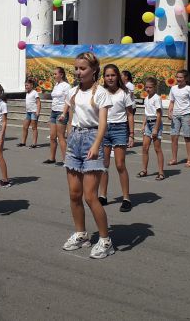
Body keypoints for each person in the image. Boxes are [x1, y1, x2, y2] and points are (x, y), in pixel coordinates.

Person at [61, 52, 115, 259]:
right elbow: (72, 116)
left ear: (94, 70)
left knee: (90, 196)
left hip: (92, 140)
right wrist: (67, 139)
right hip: (75, 139)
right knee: (74, 194)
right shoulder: (72, 91)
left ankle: (105, 240)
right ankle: (81, 234)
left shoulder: (100, 93)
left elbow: (103, 123)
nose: (78, 72)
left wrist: (96, 144)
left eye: (82, 68)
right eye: (76, 68)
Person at [98, 64, 135, 212]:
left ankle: (126, 198)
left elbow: (130, 114)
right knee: (104, 164)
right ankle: (103, 195)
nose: (110, 78)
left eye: (113, 75)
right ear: (104, 78)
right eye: (107, 75)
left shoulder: (124, 93)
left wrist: (131, 134)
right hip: (104, 129)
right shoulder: (101, 92)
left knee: (120, 164)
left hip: (120, 129)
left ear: (117, 76)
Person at [168, 69, 190, 167]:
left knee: (187, 137)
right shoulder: (173, 88)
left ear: (185, 79)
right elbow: (172, 101)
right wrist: (169, 112)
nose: (178, 79)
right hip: (175, 116)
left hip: (186, 115)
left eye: (181, 77)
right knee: (174, 138)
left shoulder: (189, 89)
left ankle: (189, 160)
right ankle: (174, 159)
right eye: (177, 77)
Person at [44, 67, 71, 166]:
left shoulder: (67, 86)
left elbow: (68, 101)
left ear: (61, 75)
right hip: (53, 112)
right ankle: (52, 158)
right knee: (52, 136)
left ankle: (66, 160)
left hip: (61, 112)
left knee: (61, 137)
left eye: (56, 74)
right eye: (54, 74)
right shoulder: (56, 85)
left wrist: (64, 114)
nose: (54, 76)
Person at [140, 77, 165, 180]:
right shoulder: (146, 98)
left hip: (155, 123)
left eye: (150, 87)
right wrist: (143, 124)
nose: (148, 89)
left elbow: (159, 114)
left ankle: (161, 172)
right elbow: (146, 113)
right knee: (144, 148)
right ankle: (144, 170)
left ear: (154, 87)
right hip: (148, 124)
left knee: (157, 149)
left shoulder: (156, 98)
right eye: (146, 87)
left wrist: (155, 128)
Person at [19, 78, 40, 148]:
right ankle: (23, 142)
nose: (26, 87)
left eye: (27, 85)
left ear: (31, 85)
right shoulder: (27, 93)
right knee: (25, 127)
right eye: (25, 85)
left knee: (34, 128)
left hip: (34, 112)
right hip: (28, 112)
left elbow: (38, 102)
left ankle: (34, 143)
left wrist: (37, 112)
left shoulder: (35, 92)